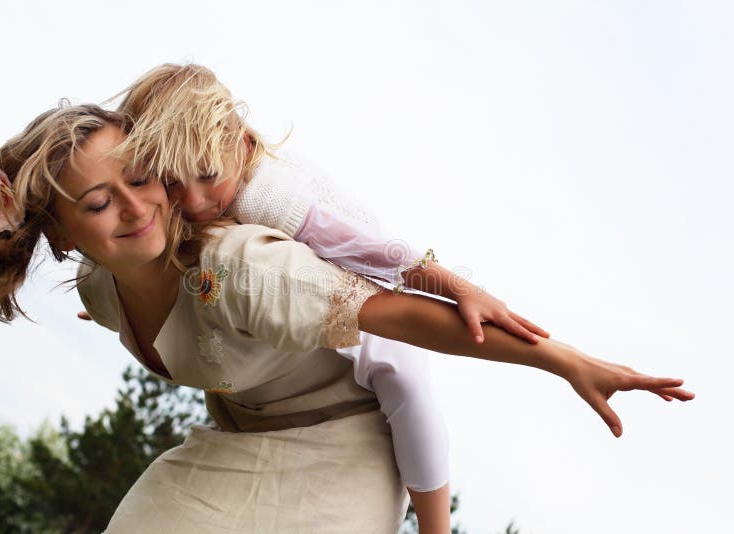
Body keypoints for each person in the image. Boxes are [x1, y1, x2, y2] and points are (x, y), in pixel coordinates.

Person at [0, 104, 693, 533]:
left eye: (142, 179)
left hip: (348, 449)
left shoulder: (237, 268)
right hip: (232, 443)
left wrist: (565, 360)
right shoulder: (100, 289)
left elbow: (403, 318)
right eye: (99, 203)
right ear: (63, 233)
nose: (136, 207)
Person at [81, 63, 553, 527]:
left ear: (242, 145)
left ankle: (434, 523)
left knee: (405, 384)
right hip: (302, 294)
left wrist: (458, 287)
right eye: (172, 181)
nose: (196, 200)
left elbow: (369, 251)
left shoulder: (268, 195)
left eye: (206, 175)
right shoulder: (199, 198)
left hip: (369, 280)